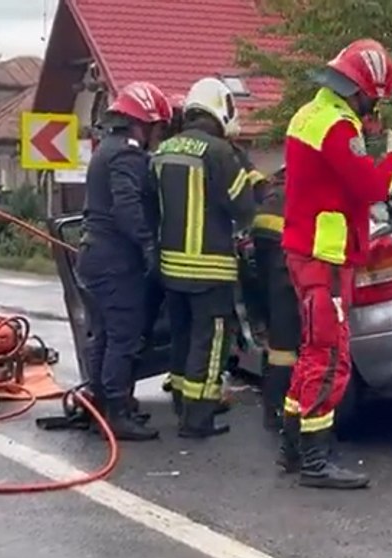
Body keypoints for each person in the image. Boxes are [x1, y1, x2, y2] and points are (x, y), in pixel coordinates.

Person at [279, 38, 392, 489]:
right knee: (330, 356)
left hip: (306, 252)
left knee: (312, 350)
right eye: (374, 99)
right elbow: (371, 188)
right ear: (363, 91)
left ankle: (293, 447)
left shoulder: (310, 115)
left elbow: (331, 176)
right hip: (327, 256)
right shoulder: (337, 127)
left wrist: (366, 138)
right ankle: (315, 461)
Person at [152, 77, 255, 438]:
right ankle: (198, 420)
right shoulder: (219, 152)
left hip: (170, 267)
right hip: (210, 268)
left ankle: (182, 404)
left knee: (181, 338)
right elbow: (244, 207)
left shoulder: (164, 150)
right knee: (210, 343)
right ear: (220, 107)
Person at [77, 81, 172, 441]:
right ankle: (116, 410)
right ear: (143, 123)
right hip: (116, 260)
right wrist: (149, 246)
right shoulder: (127, 154)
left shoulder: (107, 149)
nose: (157, 136)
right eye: (158, 128)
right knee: (124, 336)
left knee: (103, 334)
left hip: (96, 256)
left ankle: (100, 403)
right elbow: (126, 206)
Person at [242, 162, 301, 432]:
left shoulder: (273, 186)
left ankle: (275, 406)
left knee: (279, 336)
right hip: (284, 258)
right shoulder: (303, 186)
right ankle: (278, 409)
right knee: (286, 342)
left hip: (264, 256)